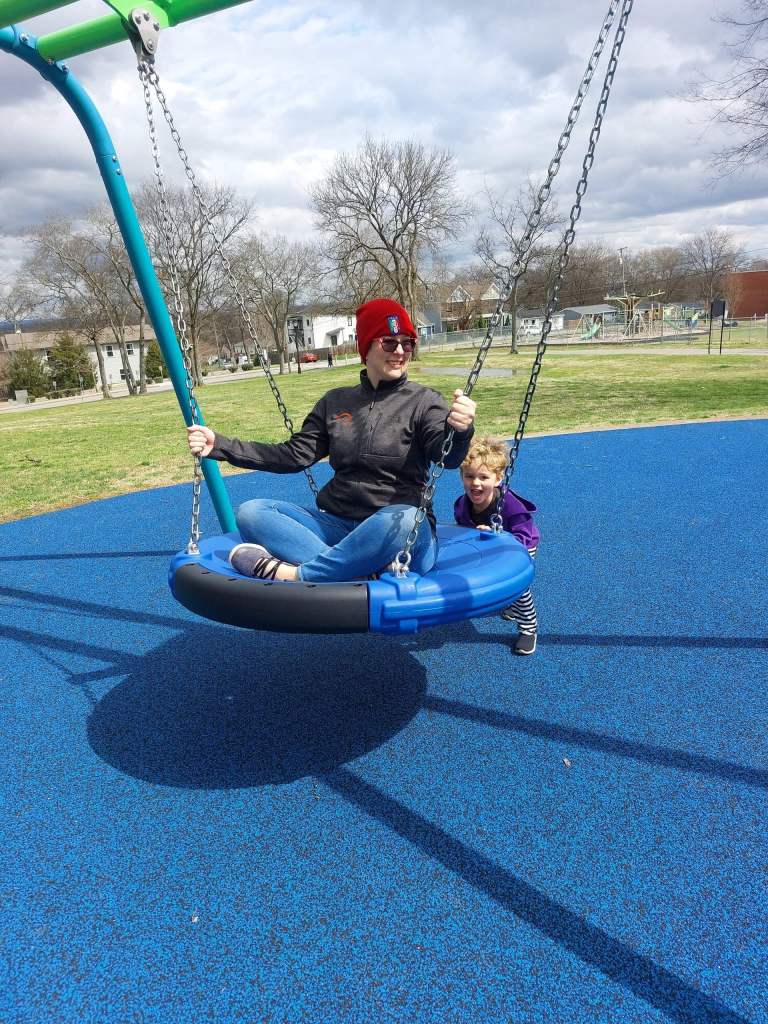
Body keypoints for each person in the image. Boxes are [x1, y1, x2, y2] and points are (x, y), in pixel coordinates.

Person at [187, 298, 476, 583]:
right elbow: (293, 455)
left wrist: (460, 430)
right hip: (341, 526)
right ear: (366, 347)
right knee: (252, 513)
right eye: (389, 342)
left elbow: (447, 457)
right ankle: (358, 571)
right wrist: (221, 446)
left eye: (408, 343)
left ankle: (297, 574)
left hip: (401, 534)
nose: (400, 351)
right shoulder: (335, 402)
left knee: (405, 518)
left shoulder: (425, 401)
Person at [454, 437, 540, 655]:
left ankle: (529, 629)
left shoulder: (508, 504)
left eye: (484, 477)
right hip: (489, 543)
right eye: (469, 476)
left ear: (498, 479)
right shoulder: (462, 504)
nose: (476, 483)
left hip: (520, 545)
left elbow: (523, 533)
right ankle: (510, 602)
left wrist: (500, 536)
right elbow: (462, 531)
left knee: (519, 587)